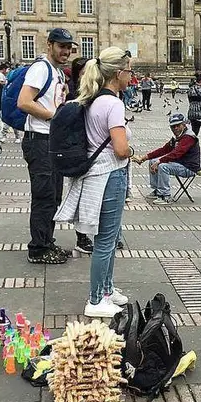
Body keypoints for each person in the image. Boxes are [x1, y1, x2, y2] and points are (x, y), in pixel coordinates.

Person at [58, 47, 133, 317]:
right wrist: (132, 152)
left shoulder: (93, 99)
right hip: (109, 174)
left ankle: (107, 289)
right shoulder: (113, 104)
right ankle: (96, 299)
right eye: (128, 70)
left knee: (108, 238)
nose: (131, 75)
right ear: (117, 73)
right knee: (106, 240)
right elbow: (121, 148)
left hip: (96, 174)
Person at [17, 29, 71, 264]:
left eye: (69, 47)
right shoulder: (41, 68)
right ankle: (38, 248)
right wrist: (53, 117)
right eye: (61, 46)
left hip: (51, 140)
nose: (66, 51)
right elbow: (24, 102)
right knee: (44, 196)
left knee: (53, 195)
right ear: (50, 45)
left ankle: (47, 241)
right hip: (39, 140)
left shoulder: (56, 72)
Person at [134, 113, 201, 205]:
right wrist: (145, 157)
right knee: (152, 162)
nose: (175, 128)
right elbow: (164, 150)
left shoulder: (188, 137)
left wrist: (159, 161)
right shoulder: (177, 137)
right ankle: (157, 190)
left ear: (184, 125)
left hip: (189, 167)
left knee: (163, 166)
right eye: (173, 127)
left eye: (178, 125)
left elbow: (176, 153)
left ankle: (165, 196)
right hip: (180, 163)